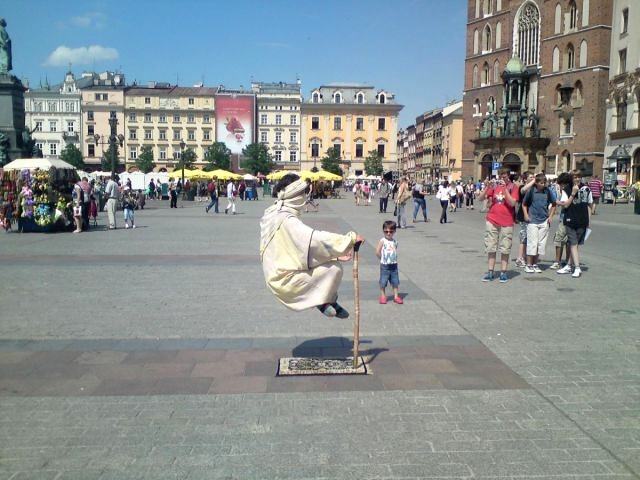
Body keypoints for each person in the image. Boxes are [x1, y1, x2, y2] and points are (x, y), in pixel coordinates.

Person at [260, 173, 364, 319]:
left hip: (275, 275)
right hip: (285, 281)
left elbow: (296, 247)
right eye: (303, 192)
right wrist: (349, 239)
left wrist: (335, 255)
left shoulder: (273, 212)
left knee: (331, 262)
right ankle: (323, 301)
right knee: (335, 269)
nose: (305, 196)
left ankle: (327, 301)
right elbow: (314, 240)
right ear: (295, 195)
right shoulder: (287, 220)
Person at [477, 168, 519, 283]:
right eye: (501, 176)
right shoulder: (494, 186)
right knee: (491, 246)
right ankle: (490, 272)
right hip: (492, 219)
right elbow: (480, 199)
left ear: (509, 176)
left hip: (507, 220)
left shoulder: (513, 187)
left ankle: (503, 272)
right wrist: (487, 187)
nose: (502, 178)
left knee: (505, 247)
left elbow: (512, 203)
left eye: (504, 176)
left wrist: (505, 188)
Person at [556, 171, 593, 278]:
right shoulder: (566, 190)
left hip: (582, 220)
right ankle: (577, 267)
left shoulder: (586, 189)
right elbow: (566, 205)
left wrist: (589, 220)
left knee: (575, 244)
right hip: (570, 220)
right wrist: (573, 193)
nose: (577, 179)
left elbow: (589, 205)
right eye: (575, 177)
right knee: (573, 243)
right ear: (571, 178)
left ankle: (568, 265)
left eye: (579, 177)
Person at [522, 173, 556, 273]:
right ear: (536, 183)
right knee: (532, 243)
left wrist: (550, 216)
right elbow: (524, 204)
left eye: (544, 182)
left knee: (541, 244)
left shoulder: (547, 191)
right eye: (541, 183)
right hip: (532, 220)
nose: (543, 184)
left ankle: (535, 264)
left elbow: (554, 204)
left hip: (544, 220)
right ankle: (529, 264)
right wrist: (526, 215)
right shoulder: (532, 191)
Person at [376, 220, 402, 305]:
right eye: (386, 231)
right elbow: (377, 251)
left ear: (394, 231)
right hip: (385, 265)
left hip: (394, 265)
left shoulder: (395, 242)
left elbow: (394, 250)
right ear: (383, 231)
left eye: (391, 231)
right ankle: (383, 296)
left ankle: (396, 296)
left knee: (395, 281)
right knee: (383, 281)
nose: (388, 233)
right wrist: (382, 259)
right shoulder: (382, 240)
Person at [514, 172, 535, 268]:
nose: (533, 178)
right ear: (525, 179)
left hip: (532, 215)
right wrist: (534, 181)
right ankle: (519, 258)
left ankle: (525, 257)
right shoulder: (522, 187)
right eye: (531, 177)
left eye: (534, 177)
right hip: (523, 216)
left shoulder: (534, 188)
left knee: (529, 238)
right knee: (523, 237)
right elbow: (523, 190)